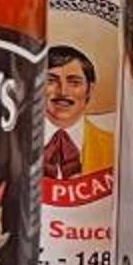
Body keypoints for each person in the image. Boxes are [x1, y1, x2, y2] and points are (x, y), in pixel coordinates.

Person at [42, 44, 112, 181]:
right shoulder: (13, 144)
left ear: (90, 89)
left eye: (74, 82)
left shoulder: (112, 146)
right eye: (51, 81)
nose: (63, 92)